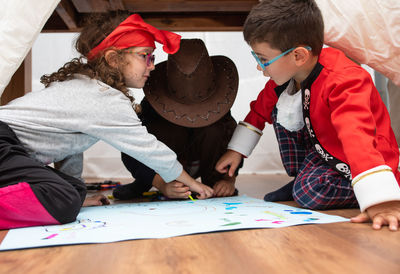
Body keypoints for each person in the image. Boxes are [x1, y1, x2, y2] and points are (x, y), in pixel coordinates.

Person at [0, 12, 213, 230]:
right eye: (144, 56)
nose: (152, 66)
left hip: (10, 151)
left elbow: (70, 147)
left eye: (153, 58)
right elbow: (149, 149)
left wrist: (77, 193)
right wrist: (192, 182)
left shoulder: (87, 89)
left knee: (73, 190)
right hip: (3, 141)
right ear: (113, 59)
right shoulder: (104, 98)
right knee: (64, 200)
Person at [216, 0, 400, 231]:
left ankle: (384, 187)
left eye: (263, 60)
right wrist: (236, 151)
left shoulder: (345, 81)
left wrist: (381, 200)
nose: (259, 67)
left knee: (310, 193)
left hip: (362, 160)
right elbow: (259, 110)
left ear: (298, 56)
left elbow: (357, 137)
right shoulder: (286, 78)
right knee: (275, 106)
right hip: (324, 154)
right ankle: (303, 181)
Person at [113, 38, 241, 200]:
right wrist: (160, 184)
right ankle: (148, 182)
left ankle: (215, 181)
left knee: (216, 129)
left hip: (202, 163)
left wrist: (229, 180)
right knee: (161, 130)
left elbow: (233, 143)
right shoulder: (151, 108)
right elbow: (131, 149)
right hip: (164, 170)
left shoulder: (219, 107)